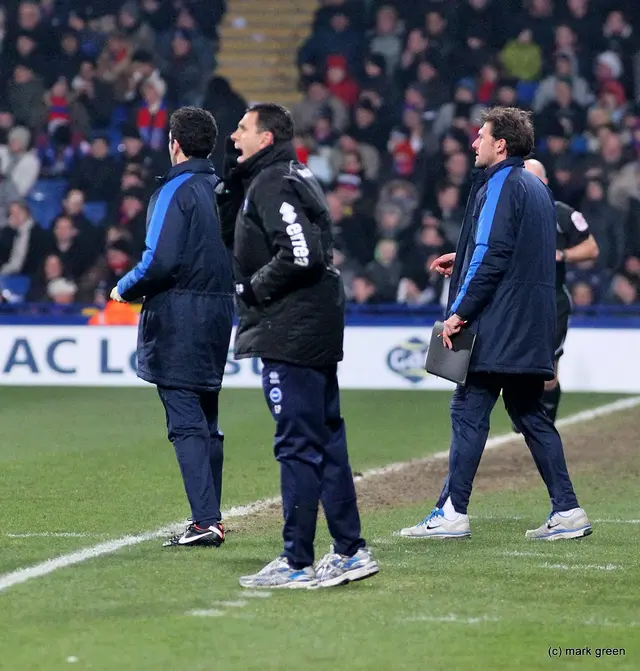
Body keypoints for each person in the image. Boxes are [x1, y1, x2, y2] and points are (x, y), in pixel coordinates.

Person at [399, 107, 592, 541]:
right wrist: (463, 256)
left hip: (497, 325)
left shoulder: (501, 183)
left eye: (480, 136)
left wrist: (458, 313)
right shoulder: (537, 188)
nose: (473, 143)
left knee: (467, 410)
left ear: (500, 144)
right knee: (530, 413)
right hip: (529, 324)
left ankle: (452, 512)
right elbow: (513, 252)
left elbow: (493, 253)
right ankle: (567, 509)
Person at [218, 102, 378, 588]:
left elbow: (301, 254)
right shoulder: (286, 175)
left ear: (266, 138)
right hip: (311, 326)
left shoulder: (273, 183)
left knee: (298, 445)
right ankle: (350, 550)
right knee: (326, 439)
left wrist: (252, 289)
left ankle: (297, 560)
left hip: (292, 330)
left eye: (242, 128)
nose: (233, 136)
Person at [110, 107, 234, 548]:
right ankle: (212, 515)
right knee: (207, 416)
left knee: (185, 418)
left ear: (174, 143)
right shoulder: (222, 188)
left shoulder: (174, 190)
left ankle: (205, 522)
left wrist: (123, 288)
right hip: (220, 311)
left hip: (181, 314)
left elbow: (159, 261)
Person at [523, 158, 599, 423]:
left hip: (551, 299)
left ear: (544, 183)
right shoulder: (506, 214)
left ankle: (547, 418)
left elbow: (591, 248)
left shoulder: (562, 214)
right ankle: (524, 408)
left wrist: (561, 254)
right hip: (517, 300)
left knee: (547, 374)